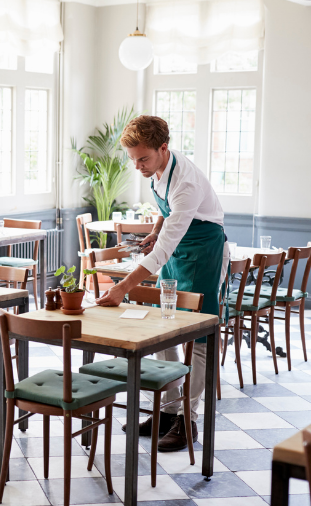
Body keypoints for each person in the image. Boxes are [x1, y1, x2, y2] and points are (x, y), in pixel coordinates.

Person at [95, 115, 228, 452]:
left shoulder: (187, 183)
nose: (138, 167)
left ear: (163, 148)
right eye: (133, 159)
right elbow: (167, 213)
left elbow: (166, 245)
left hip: (202, 250)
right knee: (166, 322)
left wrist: (123, 287)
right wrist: (155, 230)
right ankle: (168, 412)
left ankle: (188, 420)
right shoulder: (159, 169)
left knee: (197, 333)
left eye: (144, 159)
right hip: (179, 246)